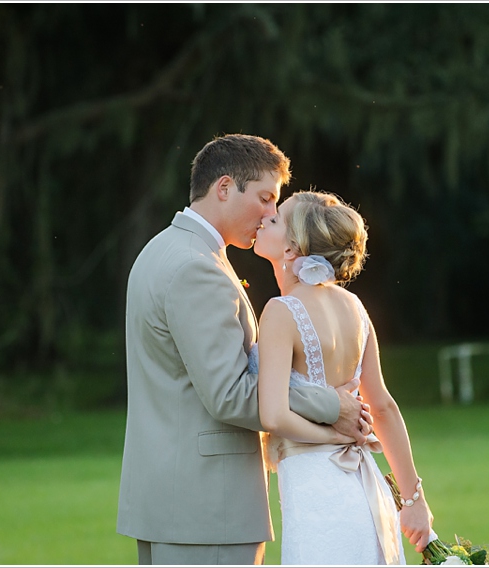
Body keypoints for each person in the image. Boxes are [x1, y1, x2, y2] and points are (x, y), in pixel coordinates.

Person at [116, 135, 371, 565]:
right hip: (208, 506)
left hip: (176, 502)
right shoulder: (198, 267)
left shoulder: (164, 250)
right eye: (266, 198)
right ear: (224, 188)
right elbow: (229, 394)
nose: (272, 213)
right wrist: (331, 404)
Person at [252, 190, 435, 565]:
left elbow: (271, 415)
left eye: (276, 218)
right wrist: (414, 500)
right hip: (364, 487)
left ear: (291, 249)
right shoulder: (354, 306)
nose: (265, 217)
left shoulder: (280, 312)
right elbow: (382, 406)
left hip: (315, 490)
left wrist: (329, 435)